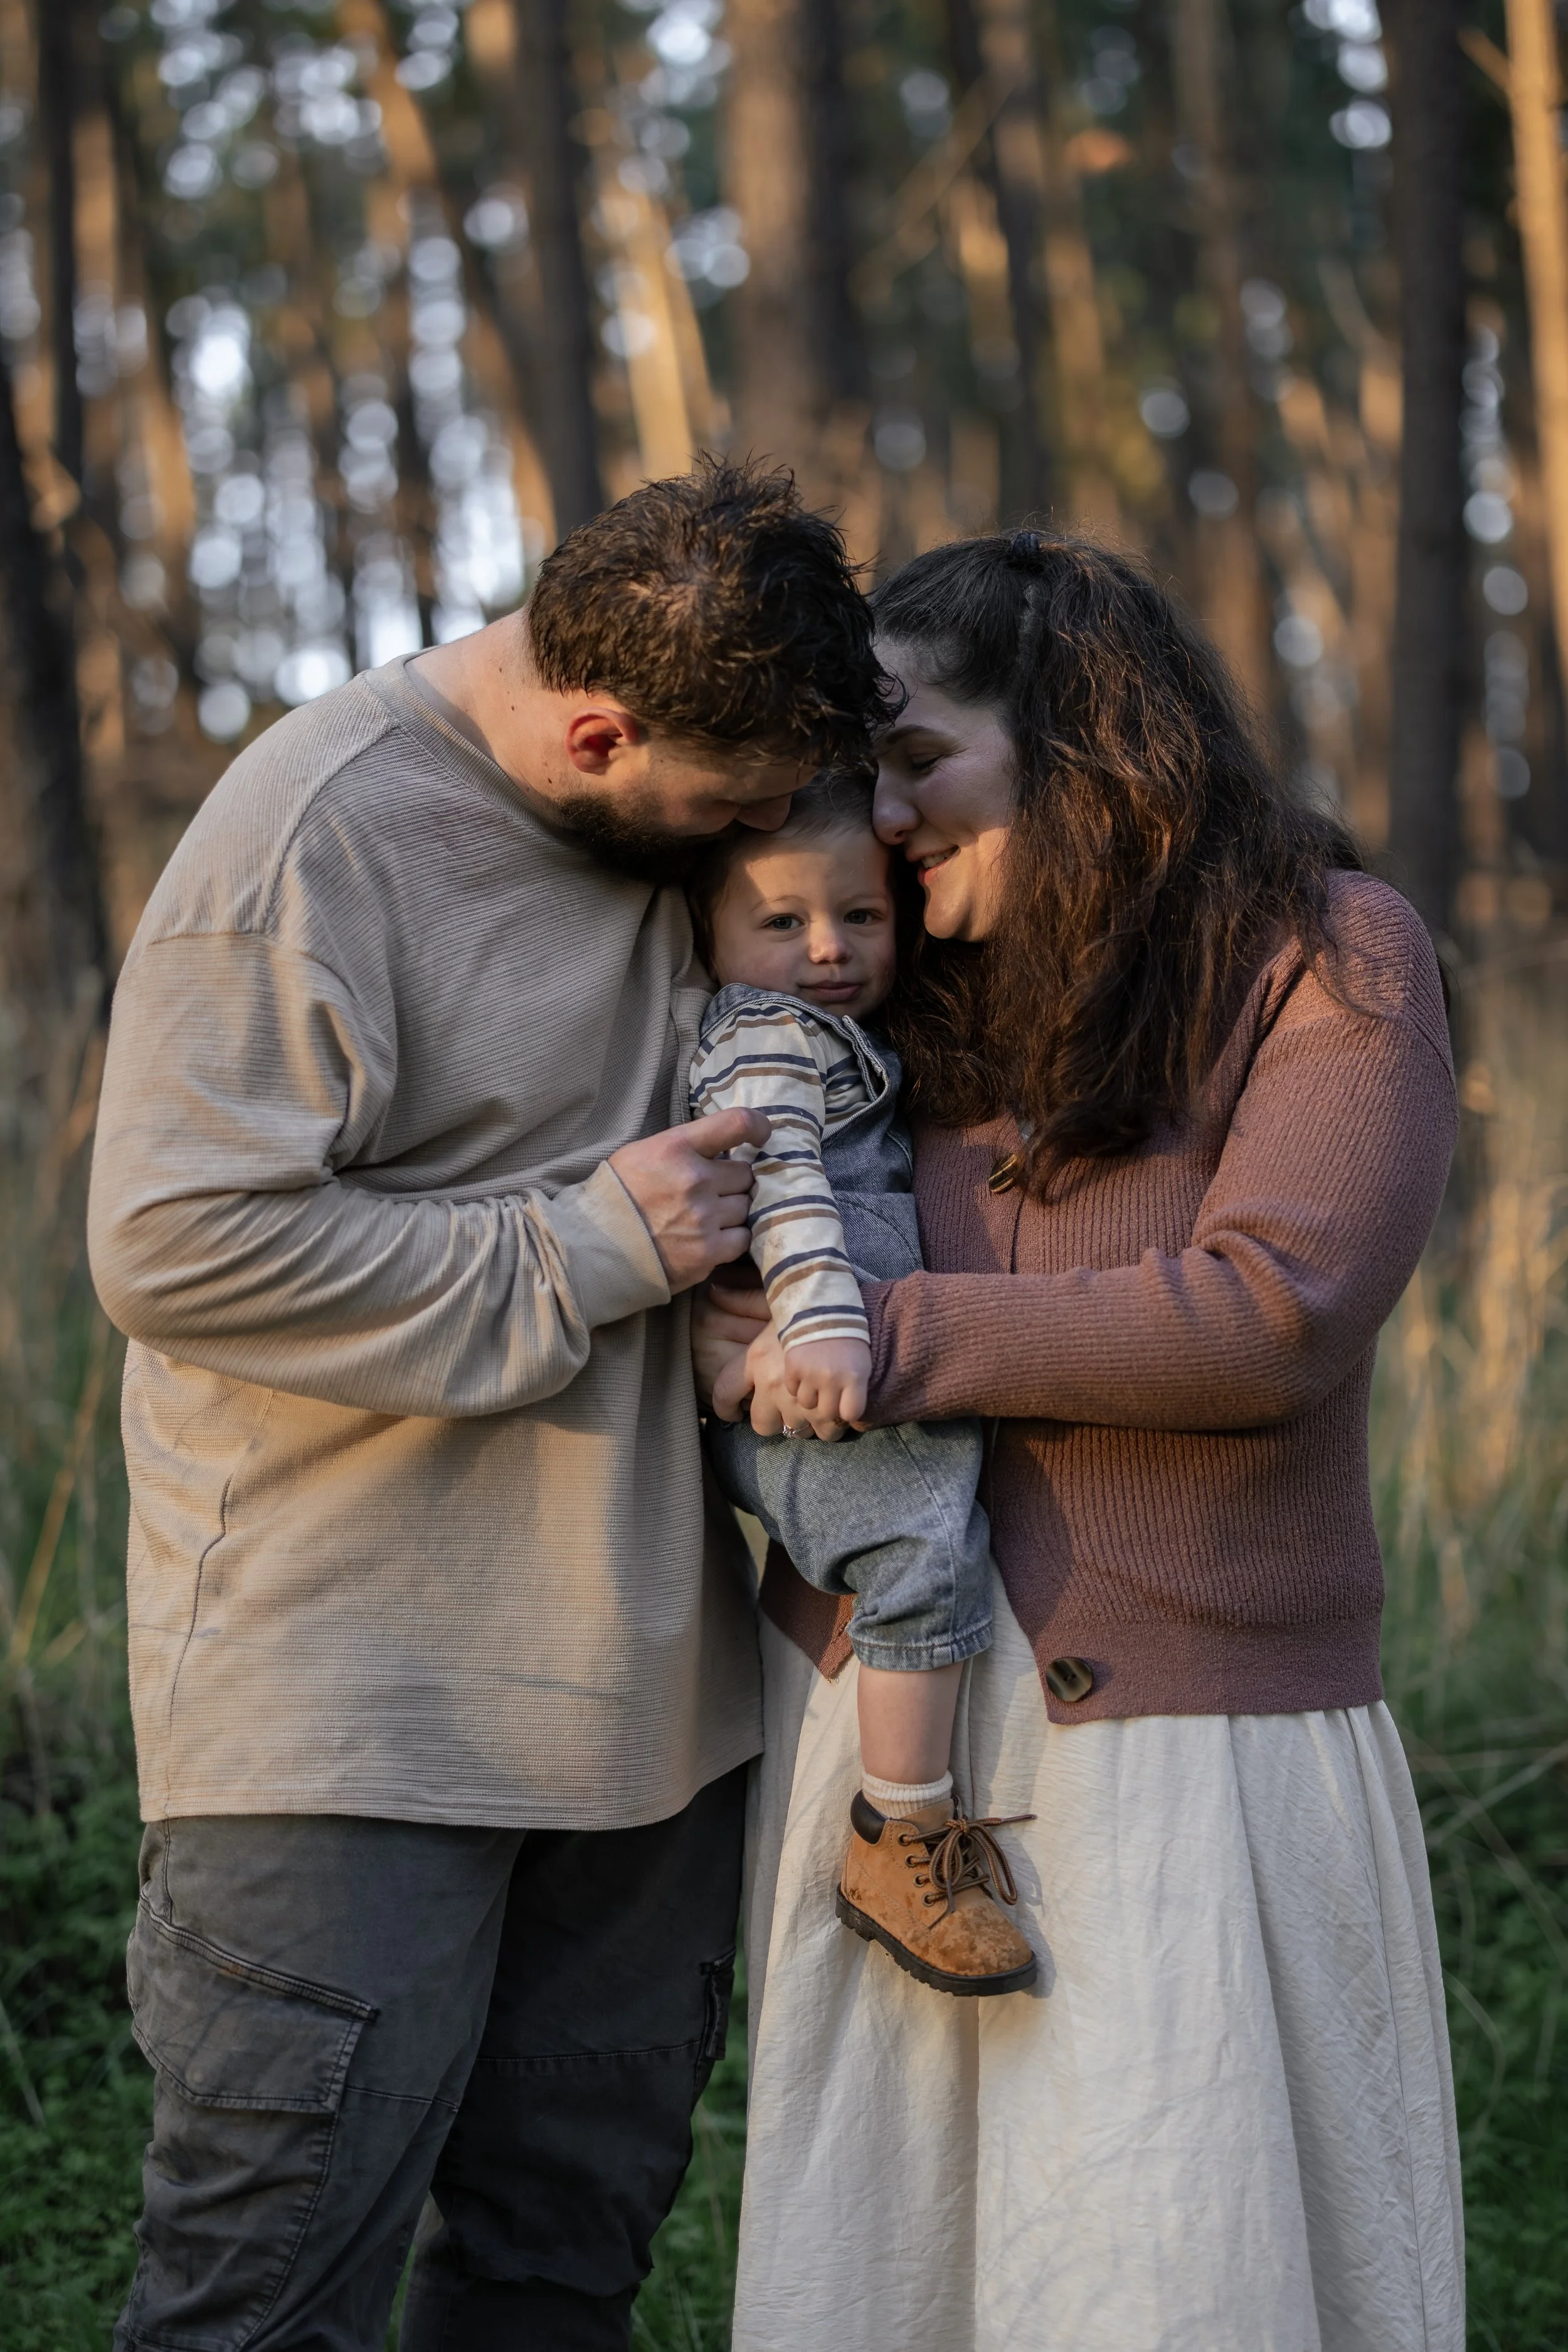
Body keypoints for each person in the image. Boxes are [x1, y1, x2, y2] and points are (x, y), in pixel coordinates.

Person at [87, 458, 884, 2352]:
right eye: (738, 809)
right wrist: (589, 1247)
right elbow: (177, 1245)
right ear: (599, 728)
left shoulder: (675, 812)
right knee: (263, 2300)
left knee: (551, 2287)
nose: (767, 842)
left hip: (647, 1729)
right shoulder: (318, 832)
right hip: (356, 1723)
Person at [697, 531, 1465, 2351]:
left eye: (914, 756)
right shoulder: (894, 991)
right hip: (899, 1742)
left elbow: (1269, 1313)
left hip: (1197, 1755)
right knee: (903, 2275)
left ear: (1075, 730)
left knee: (1170, 2263)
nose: (873, 819)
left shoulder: (1332, 955)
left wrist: (871, 1341)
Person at [686, 778, 1034, 1996]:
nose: (826, 948)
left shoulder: (837, 1036)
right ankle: (900, 1832)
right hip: (817, 1371)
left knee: (925, 1537)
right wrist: (828, 1330)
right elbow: (782, 1188)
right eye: (781, 924)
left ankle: (905, 1821)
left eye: (858, 918)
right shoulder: (765, 1039)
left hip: (826, 1366)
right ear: (714, 940)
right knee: (915, 1557)